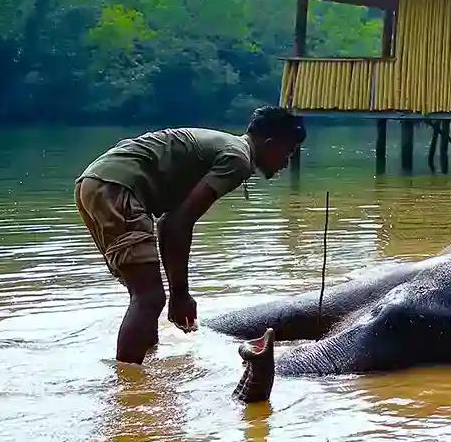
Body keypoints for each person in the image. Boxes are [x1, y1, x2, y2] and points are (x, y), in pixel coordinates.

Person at [76, 107, 307, 364]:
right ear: (270, 144)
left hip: (95, 183)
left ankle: (145, 372)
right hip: (117, 187)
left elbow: (168, 222)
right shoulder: (238, 160)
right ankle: (127, 390)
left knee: (145, 296)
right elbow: (176, 224)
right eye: (287, 153)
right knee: (150, 297)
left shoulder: (229, 147)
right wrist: (180, 294)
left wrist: (175, 292)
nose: (286, 163)